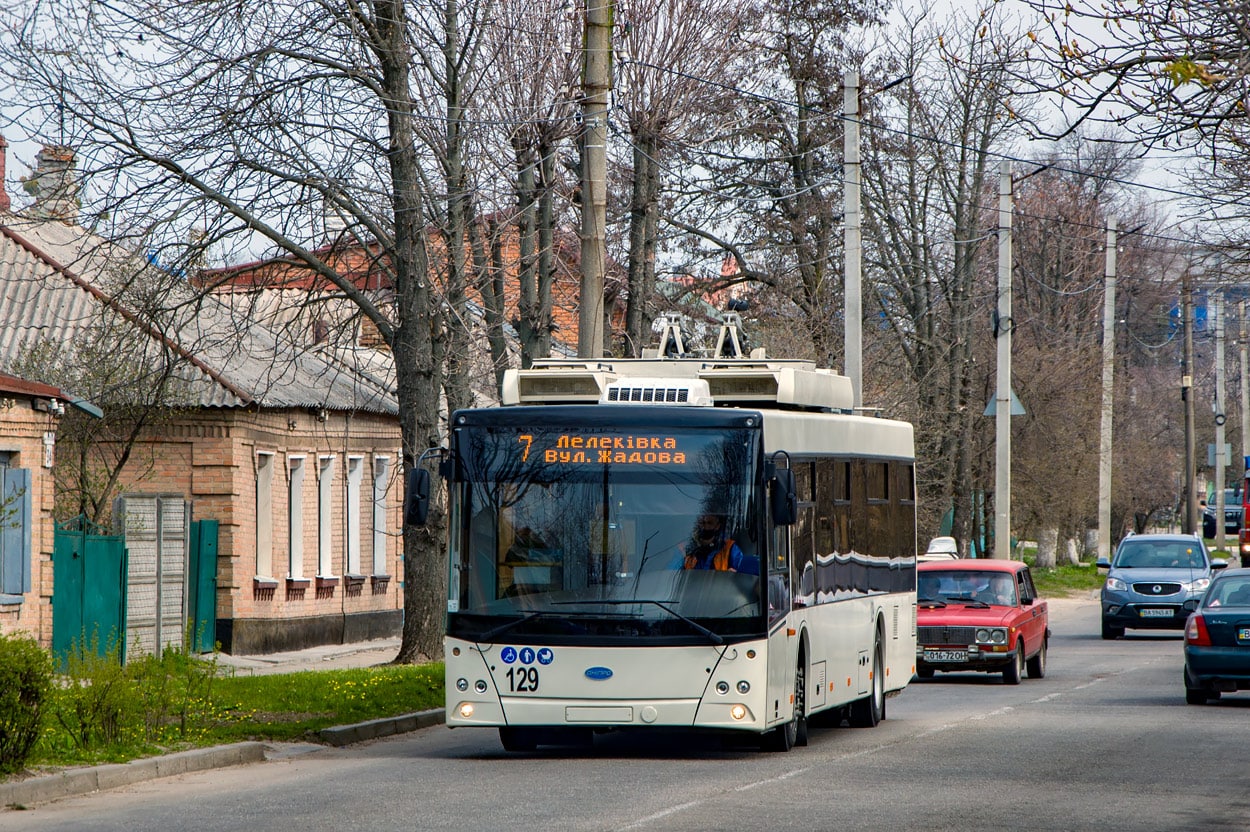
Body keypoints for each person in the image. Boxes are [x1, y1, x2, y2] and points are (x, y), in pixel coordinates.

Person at [677, 513, 758, 575]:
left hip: (720, 596)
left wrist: (735, 575)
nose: (705, 526)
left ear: (717, 526)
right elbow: (673, 573)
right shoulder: (687, 549)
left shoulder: (729, 549)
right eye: (703, 523)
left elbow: (747, 568)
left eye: (709, 523)